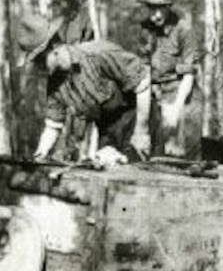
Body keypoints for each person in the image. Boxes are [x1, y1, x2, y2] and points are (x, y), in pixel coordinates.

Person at [18, 11, 152, 165]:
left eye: (40, 60)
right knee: (109, 177)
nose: (39, 67)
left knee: (149, 176)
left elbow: (142, 80)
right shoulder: (55, 85)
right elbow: (53, 125)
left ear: (54, 49)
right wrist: (39, 156)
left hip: (138, 114)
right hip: (107, 128)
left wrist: (142, 131)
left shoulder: (97, 53)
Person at [136, 0, 203, 159]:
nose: (156, 15)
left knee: (184, 153)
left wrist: (176, 108)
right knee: (154, 152)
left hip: (182, 94)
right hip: (157, 94)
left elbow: (189, 73)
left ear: (168, 8)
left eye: (161, 9)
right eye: (152, 9)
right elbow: (144, 69)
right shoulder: (144, 29)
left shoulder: (183, 29)